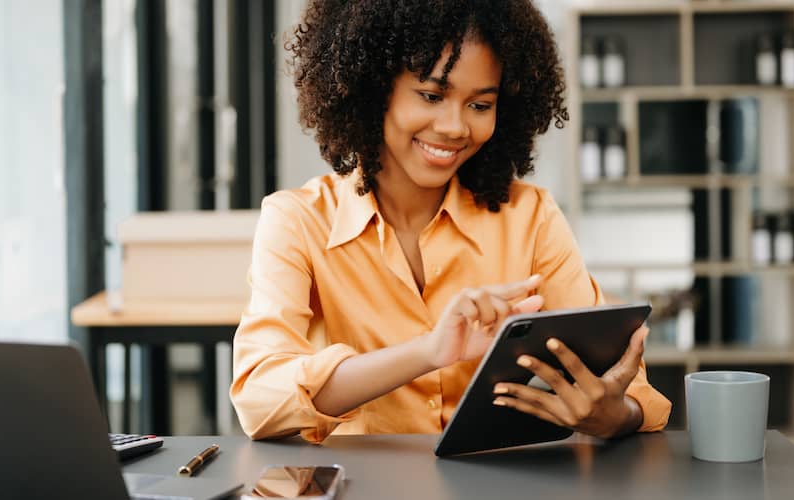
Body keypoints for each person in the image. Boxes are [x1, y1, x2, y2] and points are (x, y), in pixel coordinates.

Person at [230, 0, 671, 443]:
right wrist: (428, 352)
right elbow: (259, 399)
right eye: (432, 96)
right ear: (373, 89)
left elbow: (628, 390)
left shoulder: (530, 216)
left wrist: (617, 414)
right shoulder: (297, 220)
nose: (455, 126)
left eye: (480, 105)